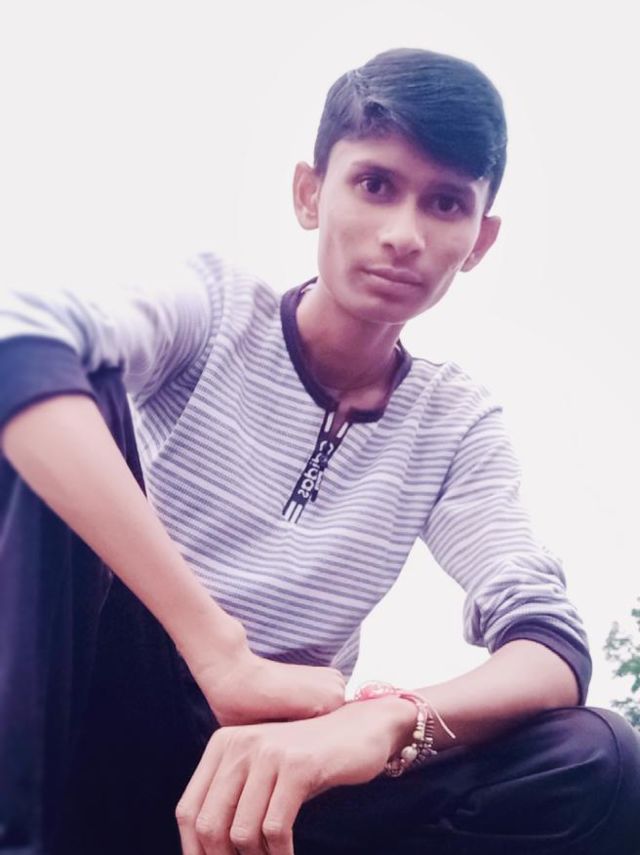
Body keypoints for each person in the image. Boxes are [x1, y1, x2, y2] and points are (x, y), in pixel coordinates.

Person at [0, 47, 638, 855]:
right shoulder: (216, 311)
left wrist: (391, 720)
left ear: (479, 239)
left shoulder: (454, 422)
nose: (403, 235)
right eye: (375, 185)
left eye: (445, 203)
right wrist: (220, 653)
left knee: (599, 757)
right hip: (94, 719)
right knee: (58, 390)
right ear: (310, 193)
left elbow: (549, 645)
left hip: (273, 781)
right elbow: (21, 346)